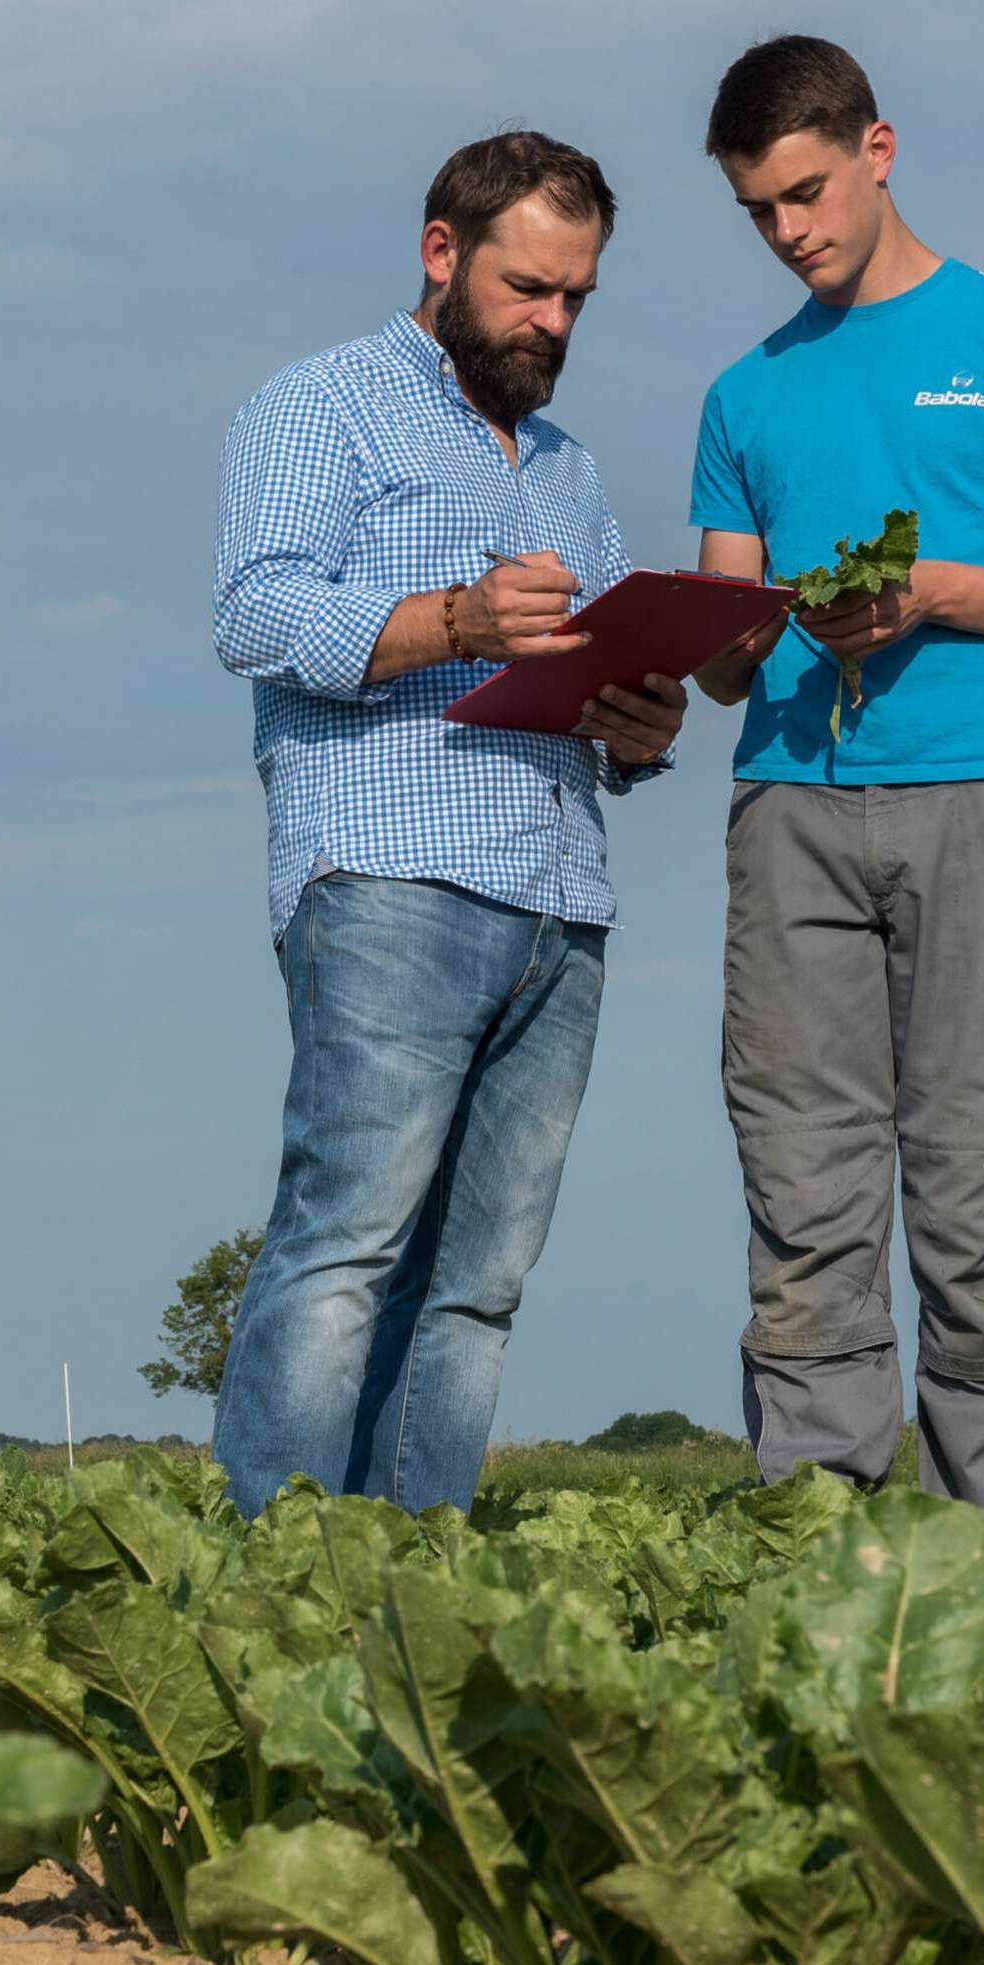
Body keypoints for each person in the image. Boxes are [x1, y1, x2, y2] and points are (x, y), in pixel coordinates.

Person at [685, 38, 984, 1520]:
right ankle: (816, 1537)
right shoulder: (740, 398)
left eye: (807, 194)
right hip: (790, 811)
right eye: (760, 211)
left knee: (970, 1192)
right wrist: (717, 639)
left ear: (878, 149)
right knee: (806, 1192)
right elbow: (719, 648)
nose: (790, 233)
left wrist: (938, 593)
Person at [208, 131, 688, 1518]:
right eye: (531, 289)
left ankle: (420, 1576)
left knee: (477, 1290)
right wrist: (461, 621)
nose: (555, 323)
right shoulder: (322, 407)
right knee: (347, 1250)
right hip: (391, 881)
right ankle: (279, 1582)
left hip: (559, 901)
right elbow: (258, 614)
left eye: (578, 298)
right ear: (441, 252)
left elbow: (593, 677)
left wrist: (638, 728)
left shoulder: (569, 469)